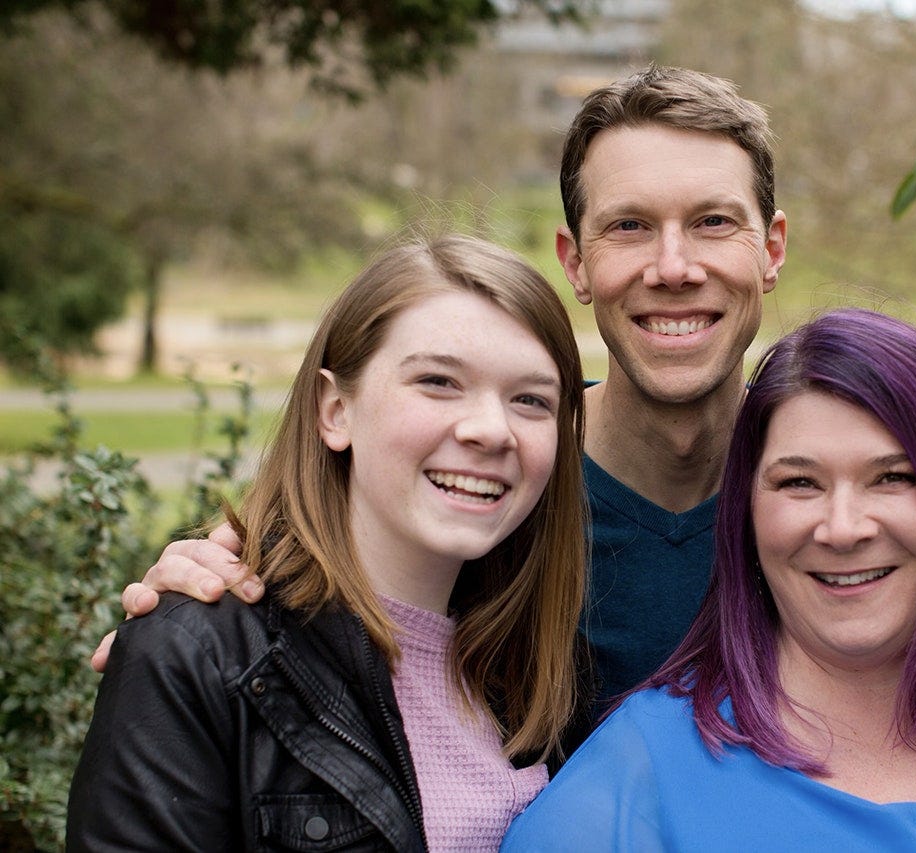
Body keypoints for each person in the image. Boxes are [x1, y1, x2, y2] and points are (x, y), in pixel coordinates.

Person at [92, 65, 788, 718]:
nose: (673, 267)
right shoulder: (482, 480)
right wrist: (198, 623)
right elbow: (295, 577)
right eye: (629, 226)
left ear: (772, 251)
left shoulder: (846, 494)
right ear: (576, 263)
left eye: (714, 222)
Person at [500, 308, 916, 850]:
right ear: (747, 515)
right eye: (800, 481)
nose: (843, 527)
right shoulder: (631, 788)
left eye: (893, 477)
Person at [66, 233, 588, 851]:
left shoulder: (537, 667)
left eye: (530, 400)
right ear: (335, 409)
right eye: (439, 382)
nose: (490, 430)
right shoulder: (201, 656)